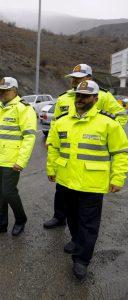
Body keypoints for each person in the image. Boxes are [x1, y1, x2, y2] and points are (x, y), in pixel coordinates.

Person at [46, 80, 128, 279]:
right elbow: (54, 148)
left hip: (92, 183)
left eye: (84, 96)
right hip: (66, 181)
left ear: (95, 98)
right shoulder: (62, 121)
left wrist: (117, 178)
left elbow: (120, 152)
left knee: (89, 224)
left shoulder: (108, 123)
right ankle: (75, 240)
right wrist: (51, 169)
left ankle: (82, 259)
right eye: (77, 96)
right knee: (72, 217)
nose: (80, 99)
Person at [43, 64, 128, 229]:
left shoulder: (102, 96)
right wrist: (51, 139)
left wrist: (108, 134)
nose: (74, 80)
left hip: (88, 157)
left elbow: (120, 114)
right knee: (61, 189)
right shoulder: (64, 97)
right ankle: (59, 216)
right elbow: (56, 121)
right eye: (73, 77)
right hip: (66, 152)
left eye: (78, 77)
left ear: (89, 78)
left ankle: (80, 235)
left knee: (84, 202)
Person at [0, 77, 37, 236]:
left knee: (9, 192)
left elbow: (29, 136)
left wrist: (21, 161)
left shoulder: (24, 108)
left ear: (14, 91)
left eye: (5, 91)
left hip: (12, 161)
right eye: (0, 91)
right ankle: (0, 224)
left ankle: (20, 219)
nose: (1, 94)